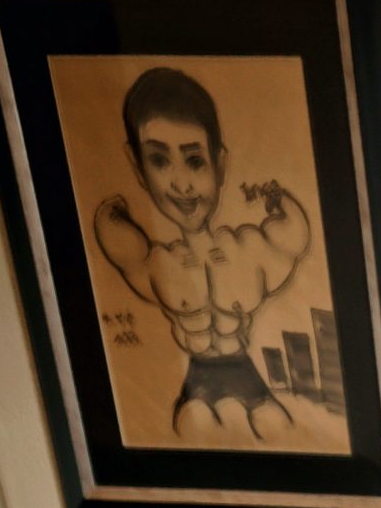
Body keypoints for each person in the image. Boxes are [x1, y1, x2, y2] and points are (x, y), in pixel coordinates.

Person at [93, 66, 311, 442]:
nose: (181, 184)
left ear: (220, 164)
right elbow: (119, 247)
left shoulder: (250, 249)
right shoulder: (159, 263)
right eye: (159, 161)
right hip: (198, 383)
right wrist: (110, 211)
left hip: (247, 376)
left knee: (278, 429)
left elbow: (293, 239)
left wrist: (276, 198)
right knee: (195, 426)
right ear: (138, 168)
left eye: (194, 160)